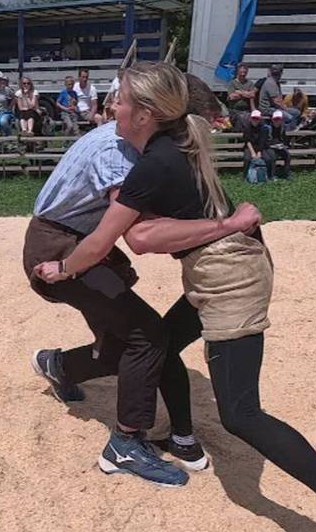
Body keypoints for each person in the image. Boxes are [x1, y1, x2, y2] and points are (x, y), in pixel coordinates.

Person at [35, 61, 316, 532]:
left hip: (230, 280)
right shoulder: (181, 132)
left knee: (241, 413)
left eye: (123, 100)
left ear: (148, 114)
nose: (114, 107)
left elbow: (127, 241)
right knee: (155, 343)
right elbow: (197, 105)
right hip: (223, 266)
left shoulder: (152, 164)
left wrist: (61, 270)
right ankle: (170, 428)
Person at [24, 74, 262, 488]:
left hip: (75, 240)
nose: (114, 107)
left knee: (130, 342)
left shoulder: (141, 143)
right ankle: (125, 444)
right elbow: (136, 236)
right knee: (147, 335)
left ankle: (61, 366)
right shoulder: (123, 155)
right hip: (60, 245)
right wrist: (226, 225)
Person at [258, 64, 301, 130]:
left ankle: (292, 130)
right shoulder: (270, 83)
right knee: (290, 117)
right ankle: (286, 134)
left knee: (296, 112)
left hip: (275, 108)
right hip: (267, 109)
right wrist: (285, 108)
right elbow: (276, 101)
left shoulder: (276, 82)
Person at [242, 109, 274, 180]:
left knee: (268, 159)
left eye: (257, 118)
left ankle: (269, 176)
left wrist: (259, 152)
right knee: (247, 158)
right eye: (254, 118)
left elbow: (262, 142)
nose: (255, 120)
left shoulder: (264, 128)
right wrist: (253, 152)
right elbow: (247, 141)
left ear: (260, 119)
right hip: (250, 147)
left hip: (261, 147)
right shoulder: (247, 128)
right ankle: (245, 176)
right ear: (250, 119)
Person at [226, 64, 256, 130]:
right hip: (234, 110)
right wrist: (246, 94)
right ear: (237, 72)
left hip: (246, 110)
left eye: (244, 72)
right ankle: (237, 135)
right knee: (241, 119)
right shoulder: (232, 83)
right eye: (241, 72)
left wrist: (239, 92)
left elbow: (252, 95)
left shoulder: (250, 83)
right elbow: (232, 97)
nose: (243, 74)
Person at [269, 109, 291, 179]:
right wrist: (273, 146)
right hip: (270, 146)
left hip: (280, 146)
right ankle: (272, 175)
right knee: (273, 157)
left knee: (288, 156)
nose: (277, 121)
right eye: (275, 119)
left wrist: (284, 145)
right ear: (272, 119)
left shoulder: (283, 127)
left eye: (279, 119)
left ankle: (286, 174)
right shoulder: (268, 128)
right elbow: (265, 141)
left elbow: (284, 139)